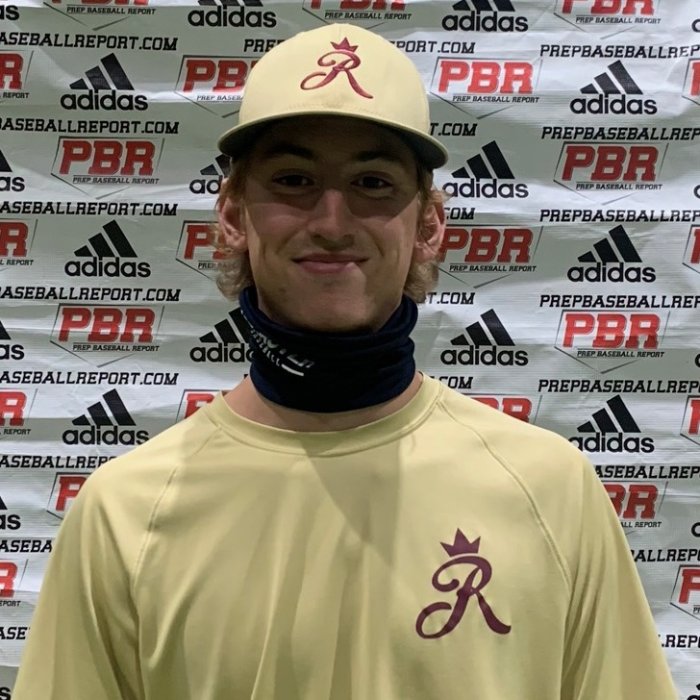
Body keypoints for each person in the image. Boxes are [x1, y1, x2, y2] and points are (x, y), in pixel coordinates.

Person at [14, 23, 677, 700]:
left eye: (373, 183)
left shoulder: (549, 489)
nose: (332, 222)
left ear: (429, 225)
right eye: (294, 180)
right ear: (233, 215)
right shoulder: (126, 510)